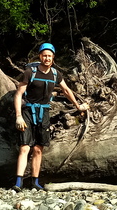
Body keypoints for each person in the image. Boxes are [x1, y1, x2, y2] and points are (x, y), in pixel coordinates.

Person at [12, 42, 88, 191]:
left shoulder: (55, 74)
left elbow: (66, 90)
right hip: (27, 112)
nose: (47, 58)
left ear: (53, 58)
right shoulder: (30, 72)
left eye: (49, 56)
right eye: (44, 55)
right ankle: (18, 183)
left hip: (44, 113)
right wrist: (18, 116)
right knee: (24, 147)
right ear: (40, 56)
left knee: (38, 149)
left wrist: (77, 106)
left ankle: (35, 182)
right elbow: (18, 94)